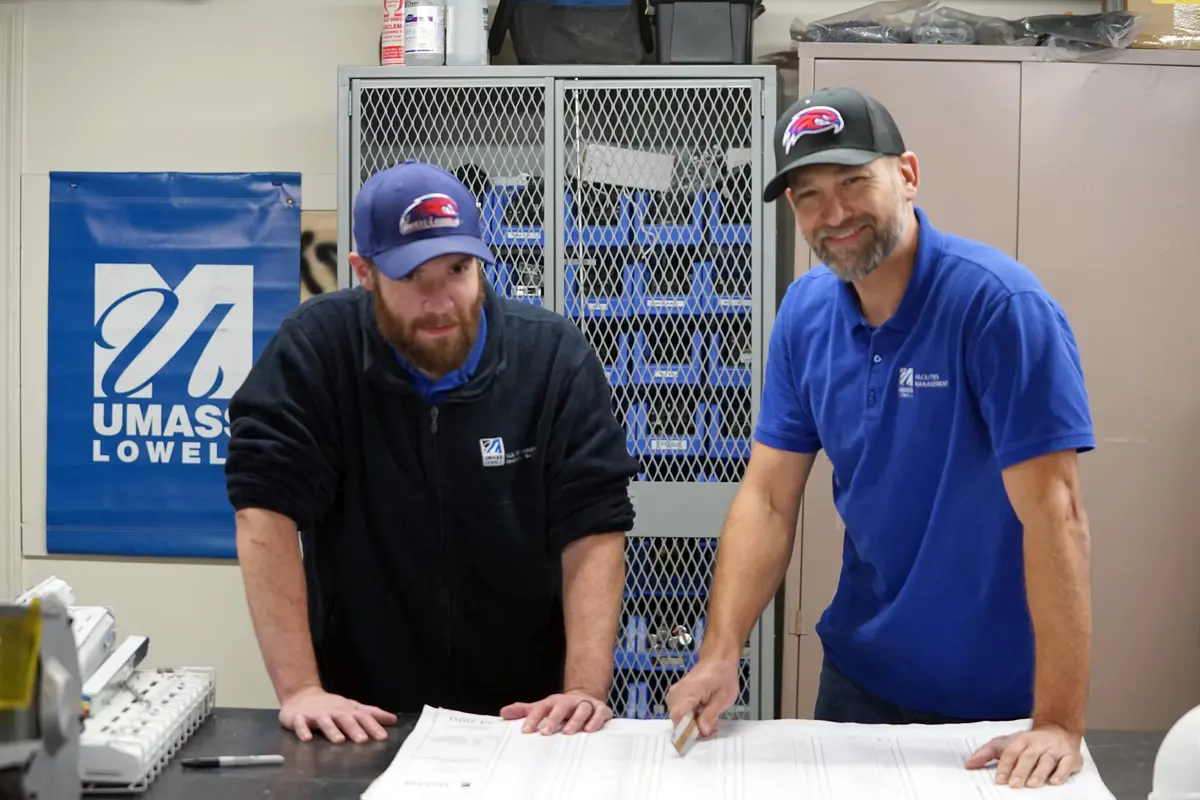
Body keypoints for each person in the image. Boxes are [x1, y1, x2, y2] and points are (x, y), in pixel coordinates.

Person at [666, 88, 1095, 790]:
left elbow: (1057, 517)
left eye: (854, 182)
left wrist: (1058, 721)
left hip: (994, 704)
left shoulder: (999, 308)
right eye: (808, 195)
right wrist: (720, 652)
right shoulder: (805, 314)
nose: (833, 215)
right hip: (859, 685)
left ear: (908, 175)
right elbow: (770, 499)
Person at [225, 160, 641, 744]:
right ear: (364, 272)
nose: (442, 300)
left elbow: (594, 525)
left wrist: (583, 690)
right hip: (366, 717)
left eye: (458, 269)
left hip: (524, 719)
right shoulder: (317, 351)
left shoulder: (553, 359)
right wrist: (300, 690)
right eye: (415, 276)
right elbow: (263, 509)